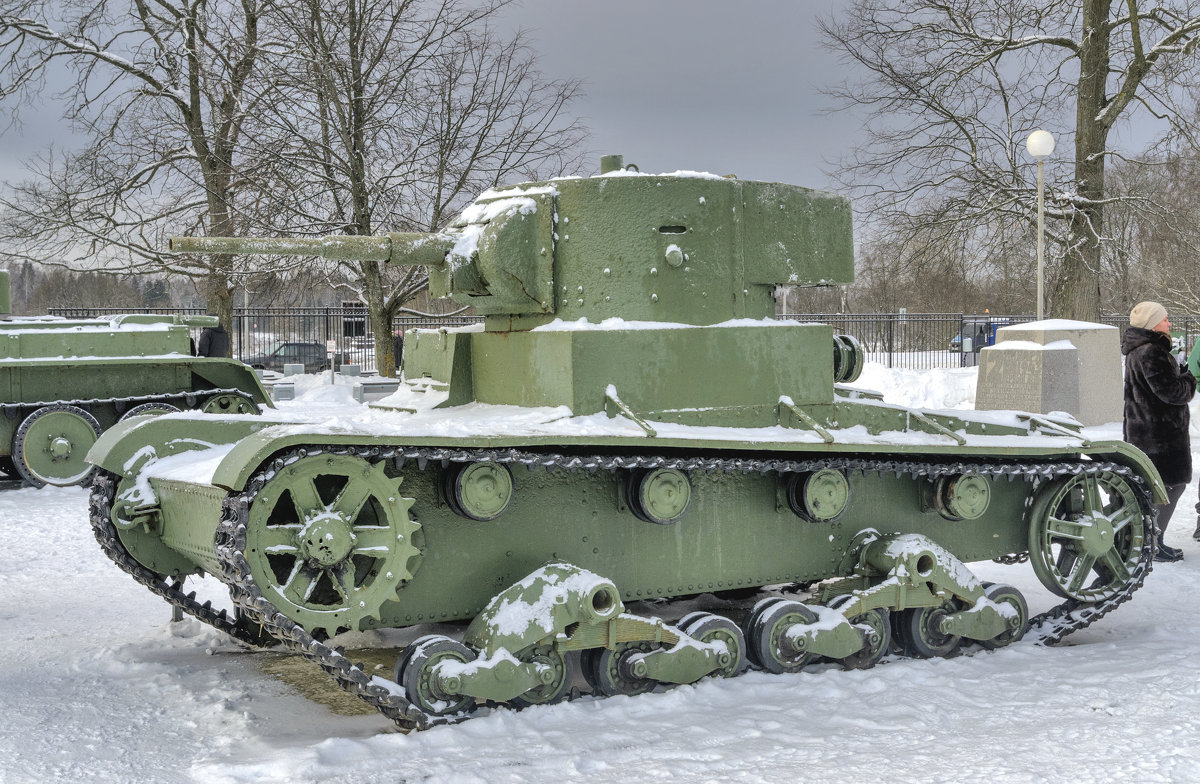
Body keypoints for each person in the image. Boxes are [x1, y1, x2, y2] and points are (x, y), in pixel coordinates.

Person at [1122, 301, 1196, 562]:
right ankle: (1152, 542)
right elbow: (1171, 392)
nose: (1169, 323)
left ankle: (1146, 539)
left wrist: (1179, 370)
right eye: (1165, 319)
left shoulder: (1141, 350)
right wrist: (1189, 379)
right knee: (1169, 487)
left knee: (1159, 488)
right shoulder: (1152, 351)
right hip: (1159, 435)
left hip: (1146, 431)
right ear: (1153, 323)